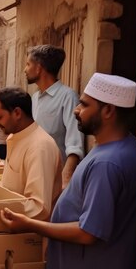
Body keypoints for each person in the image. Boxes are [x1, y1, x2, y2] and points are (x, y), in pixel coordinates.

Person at [0, 73, 136, 269]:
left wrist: (30, 224)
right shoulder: (127, 147)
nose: (76, 110)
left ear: (108, 111)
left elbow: (89, 232)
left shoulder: (108, 164)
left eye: (84, 104)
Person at [0, 87, 62, 220]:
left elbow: (39, 207)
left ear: (17, 113)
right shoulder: (15, 138)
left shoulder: (39, 147)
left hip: (29, 234)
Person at [25, 45, 84, 188]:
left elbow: (74, 142)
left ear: (39, 68)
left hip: (56, 180)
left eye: (28, 64)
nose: (25, 69)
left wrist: (66, 177)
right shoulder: (35, 98)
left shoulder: (67, 96)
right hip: (35, 173)